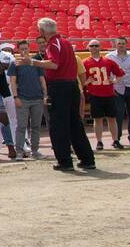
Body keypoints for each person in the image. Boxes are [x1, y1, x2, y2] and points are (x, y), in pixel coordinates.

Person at [32, 17, 95, 172]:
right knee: (75, 124)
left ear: (41, 31)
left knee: (58, 125)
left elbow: (54, 64)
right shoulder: (65, 42)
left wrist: (33, 62)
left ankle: (65, 161)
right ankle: (87, 158)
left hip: (59, 87)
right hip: (71, 85)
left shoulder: (53, 44)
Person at [82, 39, 125, 150]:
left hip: (109, 93)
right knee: (97, 119)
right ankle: (99, 142)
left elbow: (120, 74)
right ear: (88, 47)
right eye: (92, 46)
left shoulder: (108, 61)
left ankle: (115, 140)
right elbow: (80, 79)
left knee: (112, 118)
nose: (94, 48)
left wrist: (115, 81)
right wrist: (86, 82)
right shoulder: (85, 62)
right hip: (94, 94)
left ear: (100, 47)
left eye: (96, 45)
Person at [9, 39, 47, 160]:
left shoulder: (35, 62)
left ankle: (35, 150)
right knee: (21, 126)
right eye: (22, 49)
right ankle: (19, 151)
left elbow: (42, 80)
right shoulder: (15, 64)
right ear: (18, 50)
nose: (24, 51)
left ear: (29, 48)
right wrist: (15, 97)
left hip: (37, 98)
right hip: (23, 99)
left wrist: (45, 95)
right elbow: (13, 82)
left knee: (36, 126)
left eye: (26, 48)